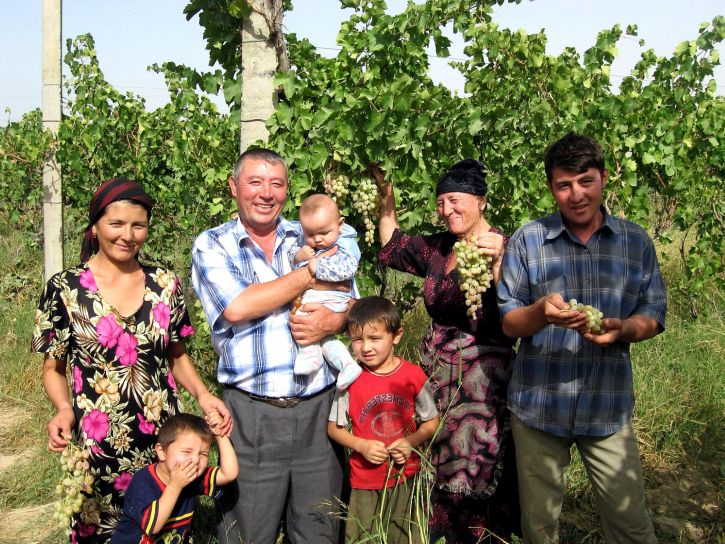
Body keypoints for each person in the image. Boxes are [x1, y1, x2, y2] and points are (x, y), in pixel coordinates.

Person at [32, 177, 231, 543]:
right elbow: (53, 368)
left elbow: (177, 355)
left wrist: (203, 396)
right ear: (95, 225)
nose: (128, 235)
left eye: (138, 225)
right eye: (116, 224)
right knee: (102, 532)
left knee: (165, 526)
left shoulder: (164, 284)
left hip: (162, 440)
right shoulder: (65, 288)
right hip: (96, 448)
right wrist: (62, 408)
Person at [497, 132, 667, 544]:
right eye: (564, 185)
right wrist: (540, 312)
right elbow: (510, 323)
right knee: (538, 529)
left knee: (630, 526)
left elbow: (654, 314)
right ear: (551, 188)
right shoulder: (528, 240)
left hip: (606, 407)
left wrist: (623, 329)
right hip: (539, 408)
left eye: (585, 181)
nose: (576, 194)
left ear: (603, 178)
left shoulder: (634, 241)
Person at [191, 148, 350, 544]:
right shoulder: (213, 245)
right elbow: (238, 306)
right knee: (248, 533)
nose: (266, 193)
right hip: (251, 418)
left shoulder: (310, 231)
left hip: (320, 411)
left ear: (286, 191)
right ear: (234, 187)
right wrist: (310, 272)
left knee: (319, 530)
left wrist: (333, 321)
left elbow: (352, 301)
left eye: (276, 184)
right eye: (255, 182)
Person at [375, 160, 520, 543]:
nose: (446, 210)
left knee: (477, 468)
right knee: (434, 462)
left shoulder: (508, 245)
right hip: (437, 377)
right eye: (440, 202)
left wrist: (501, 260)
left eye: (454, 200)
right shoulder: (441, 248)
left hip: (483, 385)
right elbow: (393, 245)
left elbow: (518, 306)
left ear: (481, 202)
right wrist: (386, 201)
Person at [327, 296, 440, 544]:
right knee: (364, 536)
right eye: (357, 340)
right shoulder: (349, 379)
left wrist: (411, 441)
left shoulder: (412, 375)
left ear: (396, 336)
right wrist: (361, 445)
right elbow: (334, 429)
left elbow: (431, 421)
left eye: (375, 338)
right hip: (365, 483)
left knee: (406, 537)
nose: (365, 347)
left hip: (406, 478)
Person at [111, 412, 238, 543]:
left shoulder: (192, 477)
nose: (195, 459)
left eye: (203, 454)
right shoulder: (143, 482)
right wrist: (175, 486)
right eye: (187, 452)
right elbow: (153, 526)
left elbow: (229, 473)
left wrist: (219, 435)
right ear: (161, 452)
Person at [290, 193, 362, 390]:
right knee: (323, 336)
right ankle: (346, 365)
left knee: (303, 317)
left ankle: (309, 354)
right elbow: (292, 260)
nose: (318, 240)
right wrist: (298, 256)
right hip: (321, 297)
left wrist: (318, 267)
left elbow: (347, 268)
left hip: (334, 297)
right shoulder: (307, 244)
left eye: (324, 233)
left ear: (340, 224)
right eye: (311, 235)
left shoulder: (346, 243)